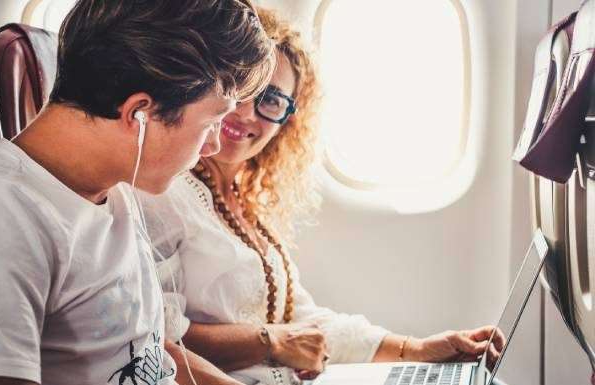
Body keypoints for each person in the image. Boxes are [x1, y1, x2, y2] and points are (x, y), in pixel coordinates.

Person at [141, 8, 504, 385]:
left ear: (287, 119)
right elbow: (159, 339)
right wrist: (271, 342)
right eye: (241, 88)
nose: (247, 113)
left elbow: (299, 318)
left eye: (271, 100)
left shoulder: (243, 204)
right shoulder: (165, 194)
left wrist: (415, 349)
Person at [0, 1, 275, 385]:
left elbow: (143, 352)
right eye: (211, 121)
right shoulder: (9, 221)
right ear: (139, 114)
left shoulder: (115, 190)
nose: (211, 146)